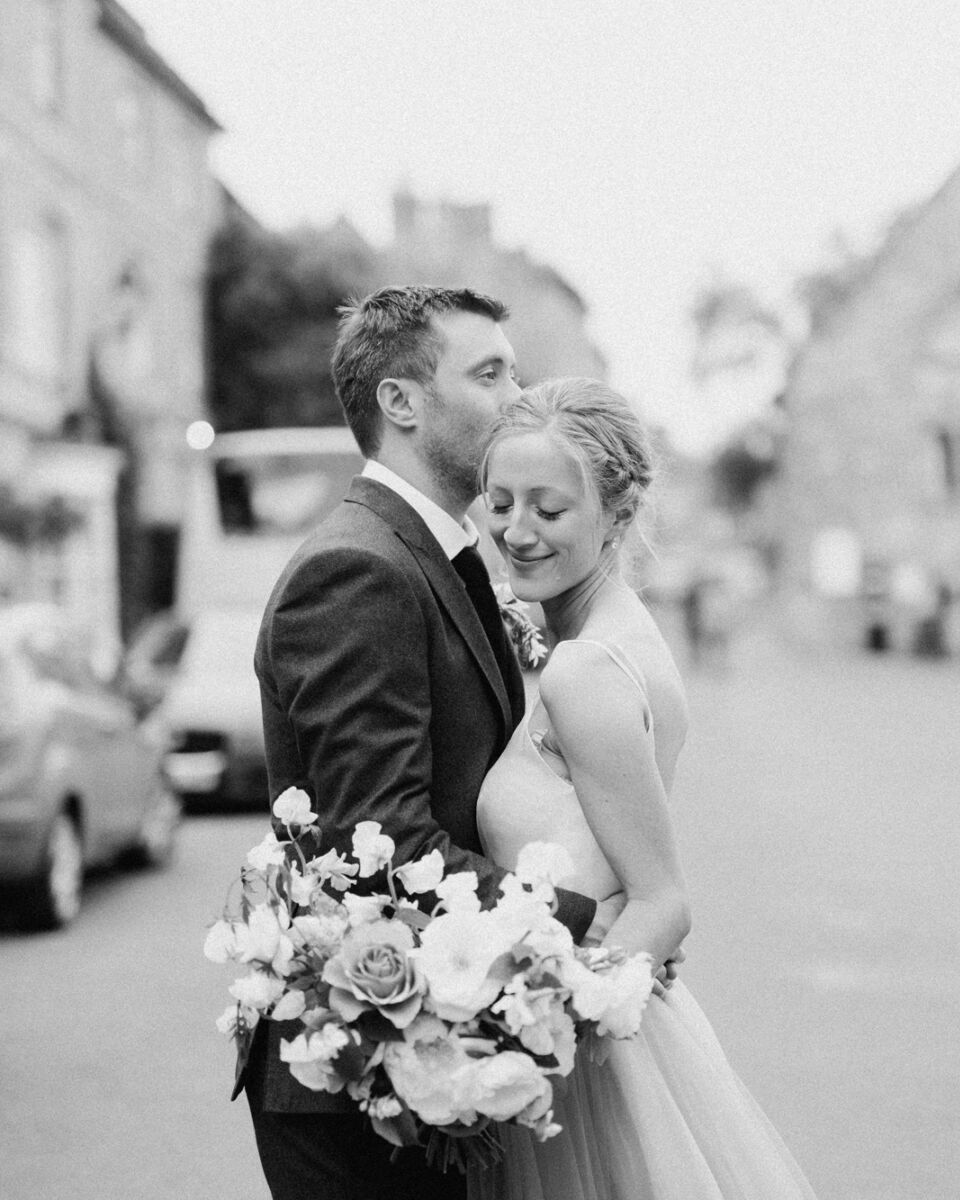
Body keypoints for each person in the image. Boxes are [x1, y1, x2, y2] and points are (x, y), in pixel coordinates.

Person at [241, 286, 605, 1200]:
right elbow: (384, 846)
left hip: (430, 1053)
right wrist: (588, 921)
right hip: (358, 1076)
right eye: (489, 374)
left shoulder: (439, 554)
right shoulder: (358, 570)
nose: (518, 400)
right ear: (401, 402)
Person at [470, 378, 818, 1200]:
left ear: (618, 515)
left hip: (585, 1055)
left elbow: (662, 902)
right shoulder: (617, 634)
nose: (516, 531)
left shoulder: (588, 669)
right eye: (501, 502)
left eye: (549, 511)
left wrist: (526, 1030)